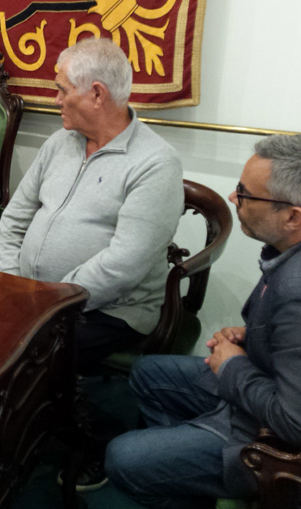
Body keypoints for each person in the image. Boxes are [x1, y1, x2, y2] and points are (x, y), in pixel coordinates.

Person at [105, 135, 301, 509]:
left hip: (269, 441)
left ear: (293, 216)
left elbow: (293, 422)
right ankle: (186, 477)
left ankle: (192, 464)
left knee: (123, 458)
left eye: (245, 193)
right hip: (262, 377)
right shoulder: (286, 251)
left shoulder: (297, 288)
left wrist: (231, 366)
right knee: (148, 372)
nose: (233, 198)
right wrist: (254, 335)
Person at [0, 38, 184, 372]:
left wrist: (49, 302)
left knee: (17, 354)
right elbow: (14, 219)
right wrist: (13, 283)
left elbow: (123, 265)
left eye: (62, 90)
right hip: (30, 296)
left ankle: (46, 423)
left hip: (108, 312)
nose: (56, 100)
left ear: (97, 94)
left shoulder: (156, 163)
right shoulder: (59, 143)